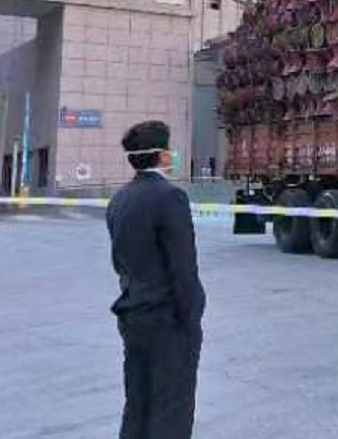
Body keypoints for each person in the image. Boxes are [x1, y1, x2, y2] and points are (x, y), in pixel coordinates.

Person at [107, 120, 206, 439]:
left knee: (137, 403)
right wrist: (191, 318)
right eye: (170, 149)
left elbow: (120, 261)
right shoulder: (170, 197)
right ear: (162, 155)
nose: (172, 155)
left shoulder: (119, 199)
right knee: (170, 409)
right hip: (167, 320)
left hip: (132, 314)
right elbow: (183, 268)